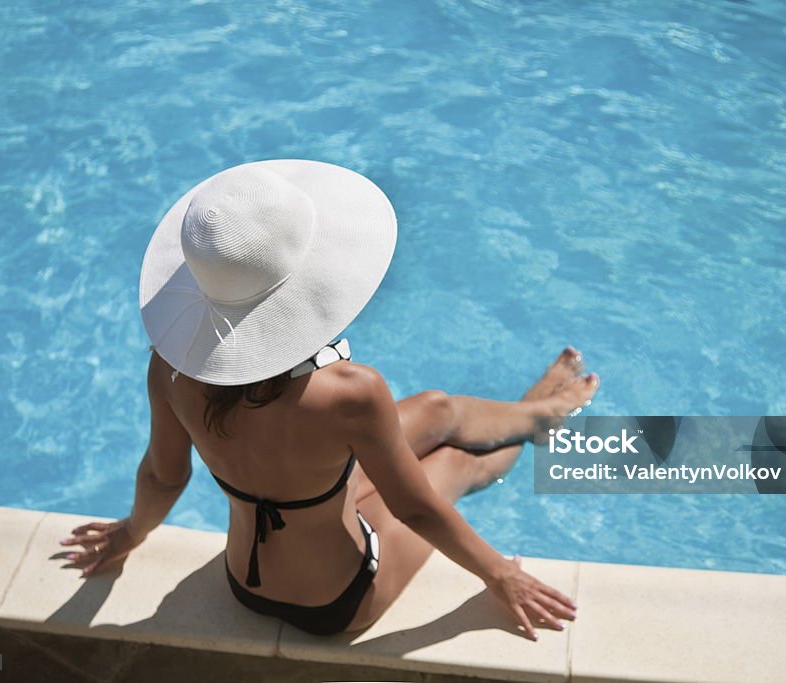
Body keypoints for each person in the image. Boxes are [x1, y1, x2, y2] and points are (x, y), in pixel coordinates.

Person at [58, 160, 599, 640]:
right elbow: (413, 509)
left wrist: (130, 533)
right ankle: (539, 425)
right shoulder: (348, 393)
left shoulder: (170, 371)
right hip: (340, 598)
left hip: (243, 582)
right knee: (456, 462)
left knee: (434, 406)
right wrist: (500, 574)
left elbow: (162, 477)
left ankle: (538, 414)